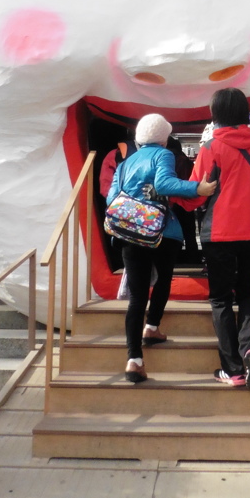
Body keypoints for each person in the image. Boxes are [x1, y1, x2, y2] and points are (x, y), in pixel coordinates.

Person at [189, 88, 250, 389]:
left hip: (219, 234)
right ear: (245, 111)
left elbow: (196, 191)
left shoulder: (211, 147)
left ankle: (232, 370)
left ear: (216, 112)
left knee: (220, 298)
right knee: (248, 294)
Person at [108, 113, 216, 383]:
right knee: (164, 279)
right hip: (161, 231)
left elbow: (112, 197)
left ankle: (134, 360)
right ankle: (152, 326)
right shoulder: (163, 155)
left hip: (129, 231)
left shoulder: (125, 163)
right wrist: (198, 188)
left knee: (137, 296)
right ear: (164, 137)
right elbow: (164, 184)